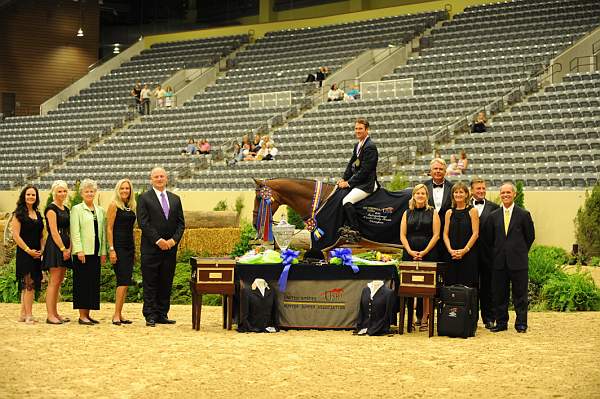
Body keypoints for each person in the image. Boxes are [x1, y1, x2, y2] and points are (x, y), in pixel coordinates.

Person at [137, 167, 185, 327]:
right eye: (156, 176)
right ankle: (150, 314)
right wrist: (158, 240)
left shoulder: (175, 199)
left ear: (166, 178)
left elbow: (181, 224)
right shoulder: (144, 198)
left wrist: (173, 241)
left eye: (162, 176)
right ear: (151, 179)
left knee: (166, 281)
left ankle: (162, 313)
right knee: (150, 282)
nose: (159, 179)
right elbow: (143, 222)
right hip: (151, 249)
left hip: (170, 249)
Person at [486, 182, 535, 333]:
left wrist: (518, 251)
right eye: (503, 193)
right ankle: (501, 323)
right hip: (499, 262)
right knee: (500, 294)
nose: (506, 195)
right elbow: (489, 239)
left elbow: (530, 237)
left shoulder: (524, 214)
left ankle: (521, 324)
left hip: (518, 262)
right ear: (500, 195)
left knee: (520, 295)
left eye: (509, 192)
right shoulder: (493, 216)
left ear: (514, 194)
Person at [400, 184, 440, 331]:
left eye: (423, 193)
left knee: (427, 288)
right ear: (414, 195)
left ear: (426, 196)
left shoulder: (433, 212)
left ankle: (425, 318)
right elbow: (402, 235)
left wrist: (424, 252)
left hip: (428, 253)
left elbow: (436, 235)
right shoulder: (406, 213)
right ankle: (409, 319)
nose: (420, 195)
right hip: (409, 253)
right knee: (409, 287)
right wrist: (410, 251)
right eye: (418, 193)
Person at [70, 179, 107, 325]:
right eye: (87, 191)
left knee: (92, 283)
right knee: (82, 283)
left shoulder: (100, 210)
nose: (90, 193)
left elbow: (102, 233)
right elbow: (75, 231)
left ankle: (88, 314)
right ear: (82, 193)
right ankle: (81, 316)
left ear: (95, 192)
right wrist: (79, 250)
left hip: (95, 252)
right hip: (83, 253)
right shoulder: (76, 209)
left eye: (92, 191)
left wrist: (103, 251)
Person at [337, 118, 378, 241]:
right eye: (356, 128)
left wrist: (348, 183)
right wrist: (343, 178)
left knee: (347, 200)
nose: (357, 131)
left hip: (367, 184)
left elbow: (365, 171)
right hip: (359, 182)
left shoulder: (370, 147)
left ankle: (355, 230)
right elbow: (351, 164)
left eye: (360, 128)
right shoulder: (358, 145)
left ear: (367, 130)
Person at [12, 185, 44, 324]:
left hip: (36, 253)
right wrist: (28, 250)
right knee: (28, 284)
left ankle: (23, 314)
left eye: (33, 195)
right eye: (28, 194)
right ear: (23, 196)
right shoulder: (18, 214)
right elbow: (16, 236)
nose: (31, 197)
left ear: (36, 198)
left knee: (28, 284)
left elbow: (41, 235)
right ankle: (29, 315)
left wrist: (42, 249)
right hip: (25, 253)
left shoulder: (38, 214)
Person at [470, 177, 500, 329]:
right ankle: (471, 318)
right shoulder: (464, 206)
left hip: (489, 254)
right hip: (469, 254)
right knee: (472, 286)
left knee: (488, 287)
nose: (481, 191)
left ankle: (489, 318)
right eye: (478, 189)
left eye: (483, 188)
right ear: (472, 191)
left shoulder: (495, 207)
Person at [106, 178, 137, 326]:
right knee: (122, 281)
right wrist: (112, 249)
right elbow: (109, 228)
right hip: (118, 247)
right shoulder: (114, 205)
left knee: (126, 281)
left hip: (129, 247)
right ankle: (115, 315)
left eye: (127, 188)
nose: (125, 191)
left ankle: (120, 313)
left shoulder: (130, 206)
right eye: (122, 188)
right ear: (118, 190)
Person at [42, 180, 72, 324]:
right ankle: (50, 315)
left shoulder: (65, 208)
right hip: (55, 247)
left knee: (59, 280)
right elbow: (53, 232)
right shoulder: (51, 209)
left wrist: (70, 248)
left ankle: (56, 313)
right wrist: (62, 249)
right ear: (54, 192)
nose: (62, 193)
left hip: (65, 246)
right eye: (59, 191)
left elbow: (68, 230)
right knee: (54, 281)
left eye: (64, 191)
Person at [443, 182, 480, 288]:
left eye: (461, 192)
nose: (458, 194)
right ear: (452, 195)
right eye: (456, 192)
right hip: (452, 255)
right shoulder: (449, 212)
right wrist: (450, 250)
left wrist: (464, 250)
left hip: (468, 255)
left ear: (467, 194)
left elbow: (475, 233)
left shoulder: (472, 211)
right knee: (451, 285)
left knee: (467, 286)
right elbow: (445, 234)